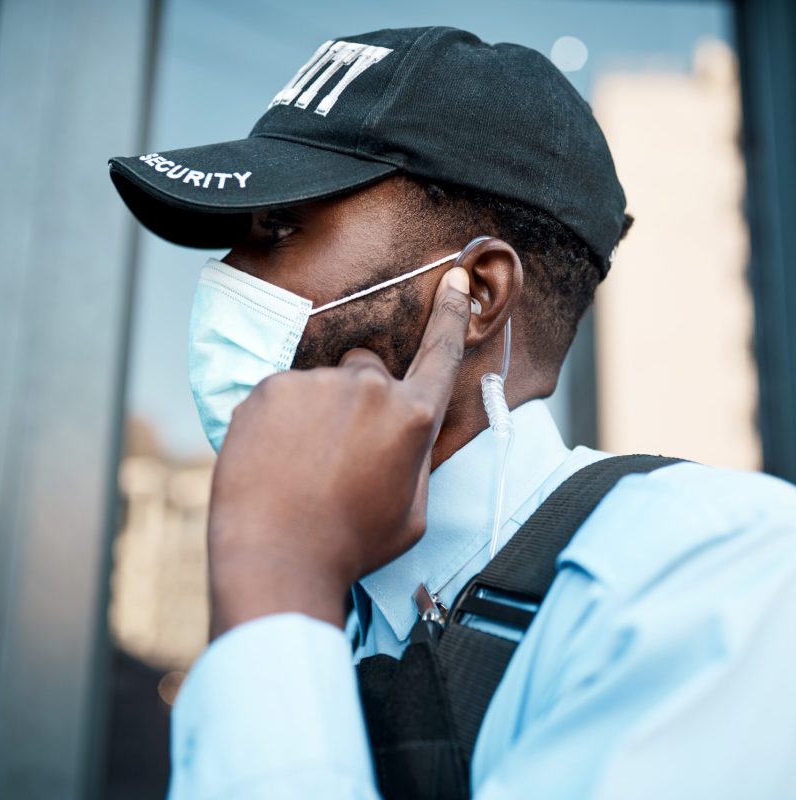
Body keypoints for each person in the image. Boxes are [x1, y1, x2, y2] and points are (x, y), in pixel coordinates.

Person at [109, 26, 796, 800]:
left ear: (477, 295)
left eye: (280, 229)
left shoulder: (717, 576)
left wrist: (275, 582)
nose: (227, 276)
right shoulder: (335, 607)